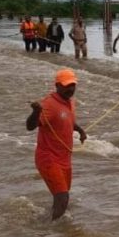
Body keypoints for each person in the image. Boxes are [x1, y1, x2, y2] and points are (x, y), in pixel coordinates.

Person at [25, 68, 87, 220]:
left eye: (73, 85)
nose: (70, 89)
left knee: (61, 198)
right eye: (66, 86)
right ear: (57, 86)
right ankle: (54, 235)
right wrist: (35, 112)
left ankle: (46, 224)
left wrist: (79, 130)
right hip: (48, 158)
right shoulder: (49, 105)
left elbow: (67, 120)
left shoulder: (70, 102)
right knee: (63, 198)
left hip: (64, 159)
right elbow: (30, 126)